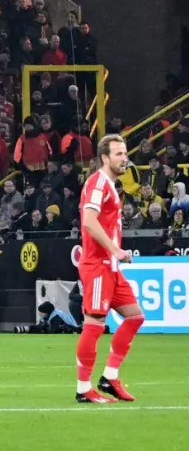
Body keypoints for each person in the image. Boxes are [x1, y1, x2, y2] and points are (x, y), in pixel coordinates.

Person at [75, 134, 145, 404]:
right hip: (97, 265)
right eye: (118, 154)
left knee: (135, 317)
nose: (124, 158)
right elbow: (89, 222)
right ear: (104, 158)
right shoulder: (97, 183)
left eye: (125, 153)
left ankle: (109, 377)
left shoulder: (110, 185)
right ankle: (83, 388)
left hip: (111, 267)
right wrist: (115, 250)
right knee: (93, 324)